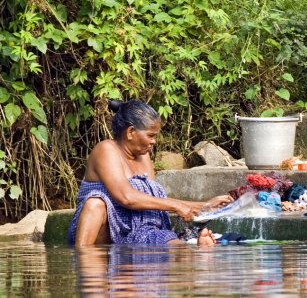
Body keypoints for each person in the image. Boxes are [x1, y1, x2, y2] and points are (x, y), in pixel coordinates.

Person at [67, 100, 234, 247]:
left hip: (141, 230)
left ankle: (196, 252)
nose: (154, 141)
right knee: (95, 203)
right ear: (131, 132)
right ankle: (84, 257)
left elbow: (154, 202)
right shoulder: (106, 149)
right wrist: (178, 206)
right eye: (150, 135)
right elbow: (127, 197)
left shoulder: (143, 156)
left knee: (172, 246)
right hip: (105, 232)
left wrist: (204, 206)